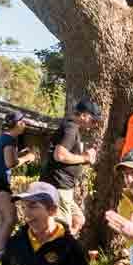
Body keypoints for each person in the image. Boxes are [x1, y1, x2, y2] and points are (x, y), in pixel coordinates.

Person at [40, 99, 102, 236]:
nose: (95, 124)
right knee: (62, 228)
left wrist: (84, 158)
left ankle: (65, 242)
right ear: (84, 115)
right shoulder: (71, 128)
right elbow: (60, 155)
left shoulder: (70, 127)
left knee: (78, 220)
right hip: (59, 186)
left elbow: (64, 156)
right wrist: (85, 158)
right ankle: (58, 246)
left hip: (63, 187)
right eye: (93, 120)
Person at [0, 114, 34, 259]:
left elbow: (4, 158)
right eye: (23, 121)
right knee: (11, 219)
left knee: (2, 220)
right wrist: (27, 158)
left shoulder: (2, 137)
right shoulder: (9, 139)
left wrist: (20, 154)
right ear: (17, 124)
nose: (25, 124)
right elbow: (10, 163)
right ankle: (1, 254)